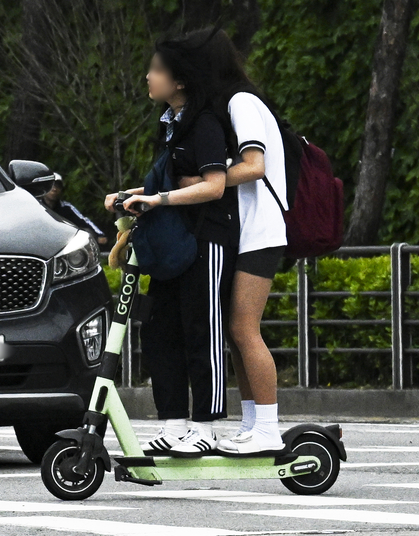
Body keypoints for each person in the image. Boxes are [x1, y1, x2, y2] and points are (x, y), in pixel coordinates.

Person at [103, 32, 239, 456]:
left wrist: (156, 198)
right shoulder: (170, 125)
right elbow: (164, 184)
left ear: (180, 81)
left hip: (206, 238)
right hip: (171, 246)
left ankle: (208, 426)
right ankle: (175, 423)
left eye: (157, 70)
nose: (148, 76)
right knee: (161, 331)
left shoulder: (204, 123)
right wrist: (130, 195)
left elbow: (215, 186)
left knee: (203, 329)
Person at [182, 29, 288, 456]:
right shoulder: (231, 103)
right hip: (249, 231)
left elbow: (256, 165)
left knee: (245, 328)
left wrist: (210, 176)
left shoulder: (241, 102)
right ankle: (250, 424)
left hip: (262, 231)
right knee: (235, 329)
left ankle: (267, 428)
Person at [42, 174, 108, 245]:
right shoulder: (36, 205)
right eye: (51, 186)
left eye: (58, 186)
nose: (54, 189)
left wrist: (99, 234)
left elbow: (83, 221)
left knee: (86, 232)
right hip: (40, 242)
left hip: (61, 244)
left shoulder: (66, 208)